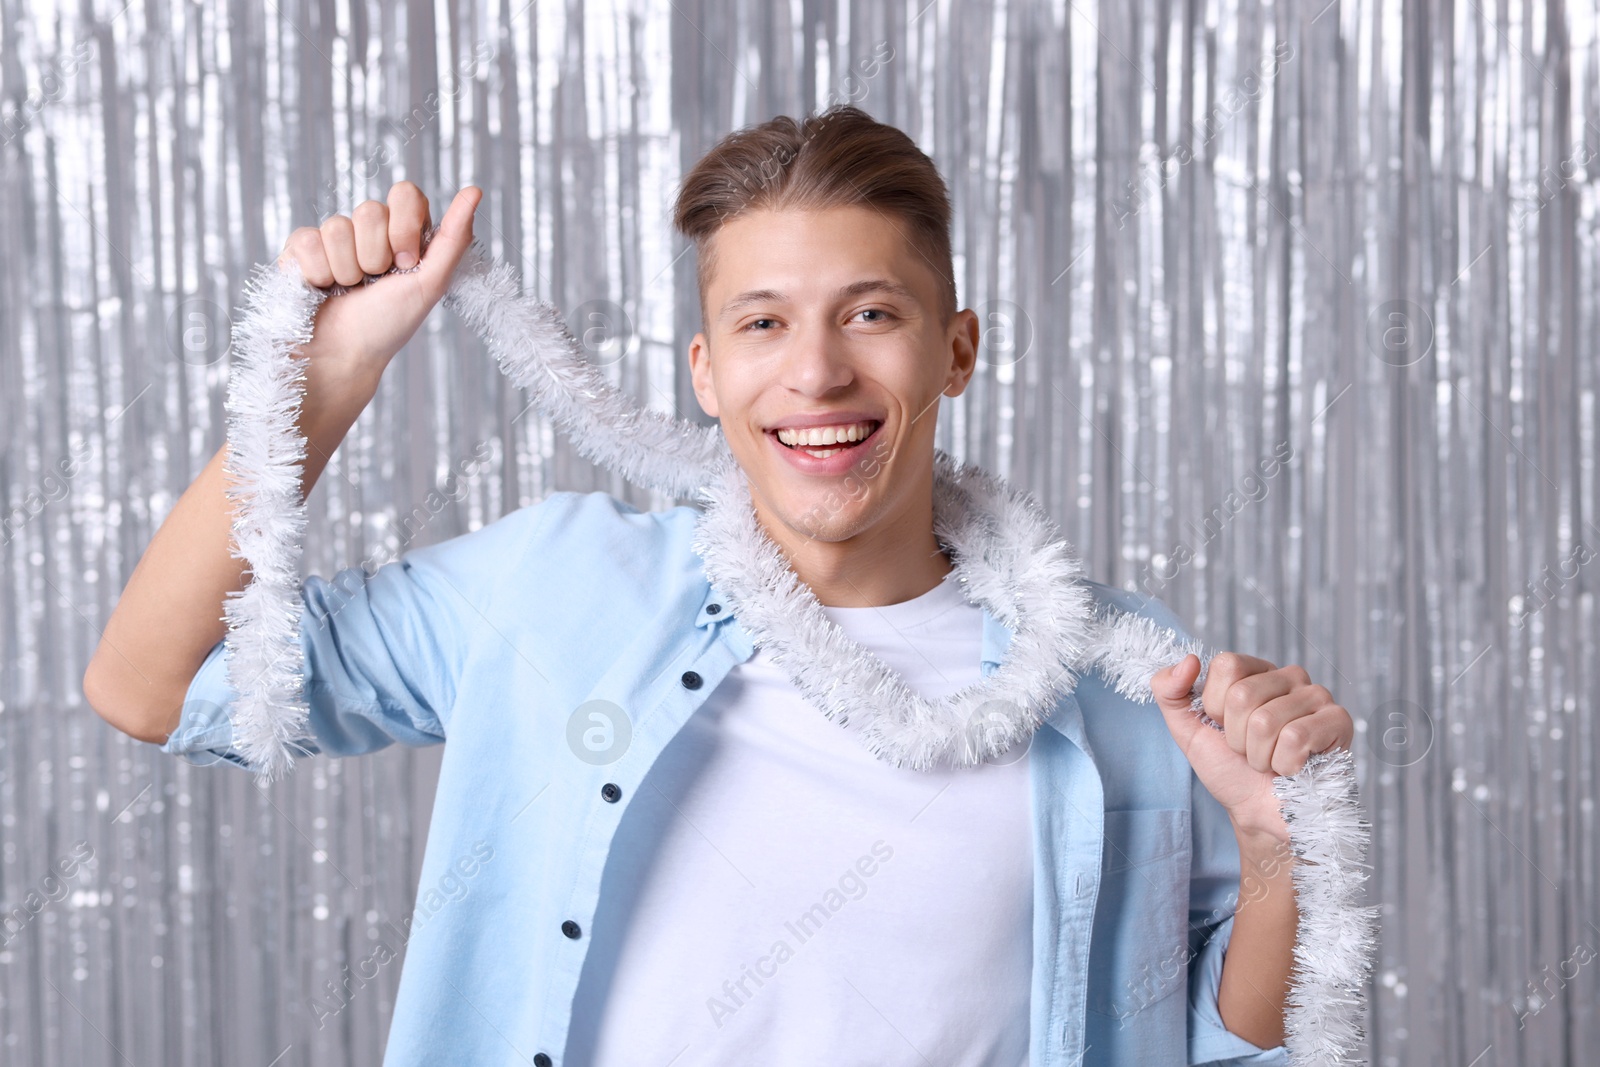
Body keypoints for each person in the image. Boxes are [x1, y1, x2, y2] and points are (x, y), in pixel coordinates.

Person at [85, 105, 1352, 1066]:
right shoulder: (554, 587)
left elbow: (1209, 1037)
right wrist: (327, 376)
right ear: (704, 370)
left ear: (956, 348)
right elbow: (158, 687)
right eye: (761, 324)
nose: (816, 374)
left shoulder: (1125, 669)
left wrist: (1273, 842)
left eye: (870, 314)